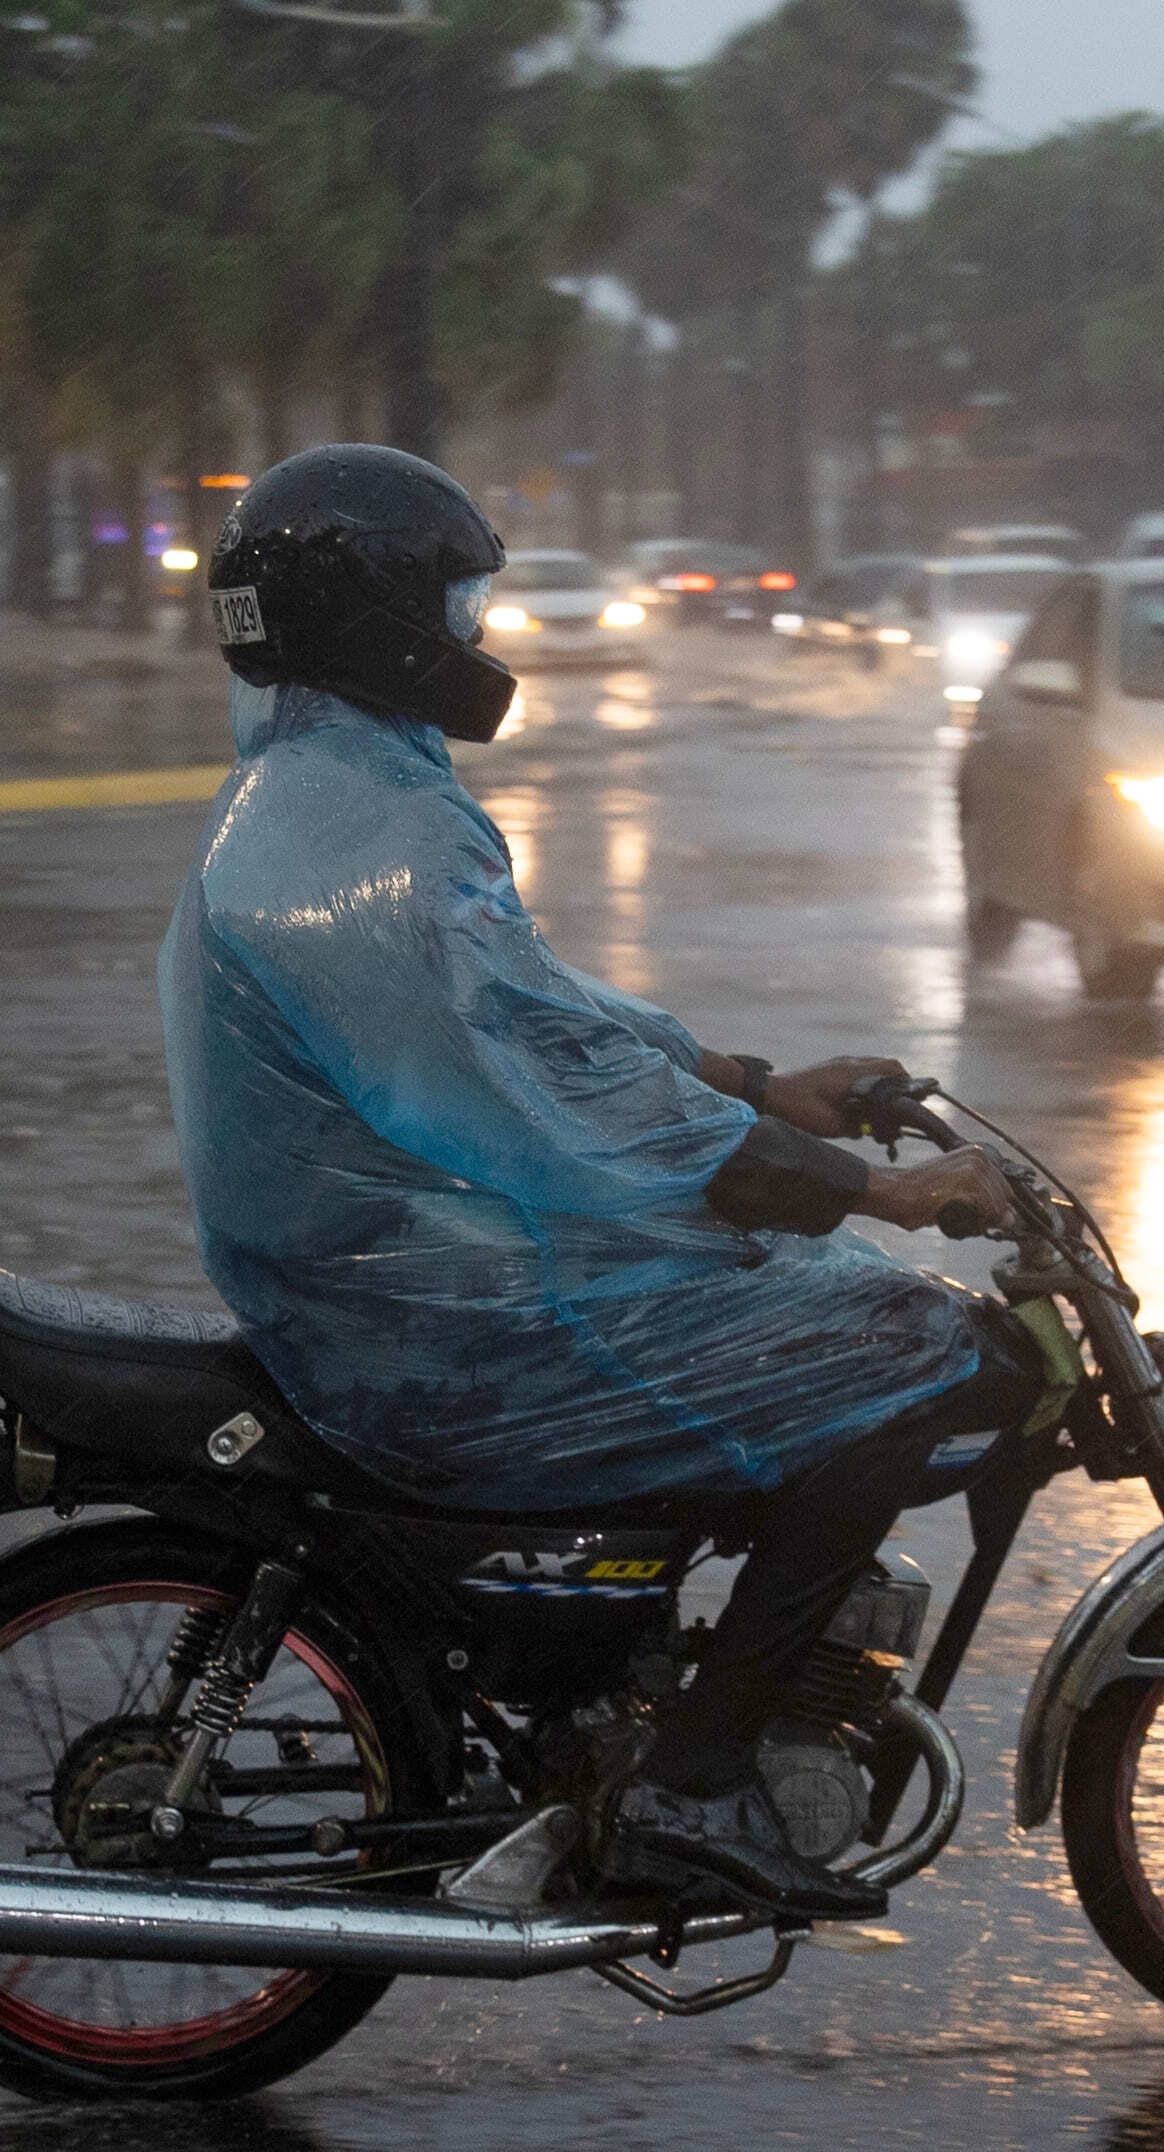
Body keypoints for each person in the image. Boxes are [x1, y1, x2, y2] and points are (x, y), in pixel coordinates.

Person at [160, 443, 1028, 1922]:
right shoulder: (367, 834)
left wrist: (753, 1085)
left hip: (400, 1283)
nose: (479, 636)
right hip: (433, 1334)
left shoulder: (332, 798)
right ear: (383, 619)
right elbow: (557, 1102)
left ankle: (634, 1685)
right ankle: (690, 1786)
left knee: (823, 1314)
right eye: (458, 603)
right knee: (921, 1350)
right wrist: (866, 1191)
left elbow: (536, 1013)